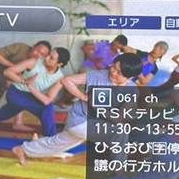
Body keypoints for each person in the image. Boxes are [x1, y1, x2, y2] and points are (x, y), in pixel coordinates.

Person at [12, 53, 143, 164]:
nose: (113, 72)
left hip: (95, 122)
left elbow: (120, 118)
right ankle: (119, 171)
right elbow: (66, 80)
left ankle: (22, 150)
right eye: (113, 67)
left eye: (119, 73)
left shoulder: (132, 90)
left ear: (130, 77)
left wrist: (98, 107)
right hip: (80, 120)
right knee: (119, 134)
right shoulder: (97, 75)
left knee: (57, 143)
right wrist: (83, 97)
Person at [0, 47, 70, 136]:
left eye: (51, 58)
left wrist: (30, 87)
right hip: (16, 93)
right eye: (48, 55)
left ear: (59, 64)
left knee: (2, 114)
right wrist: (24, 81)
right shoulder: (34, 62)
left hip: (32, 96)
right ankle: (50, 138)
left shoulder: (59, 78)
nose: (46, 58)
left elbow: (47, 100)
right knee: (47, 109)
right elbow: (7, 72)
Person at [0, 40, 52, 131]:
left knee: (22, 91)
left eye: (42, 55)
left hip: (12, 79)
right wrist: (14, 66)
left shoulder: (38, 63)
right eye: (37, 51)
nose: (38, 55)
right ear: (33, 46)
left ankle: (18, 122)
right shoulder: (20, 47)